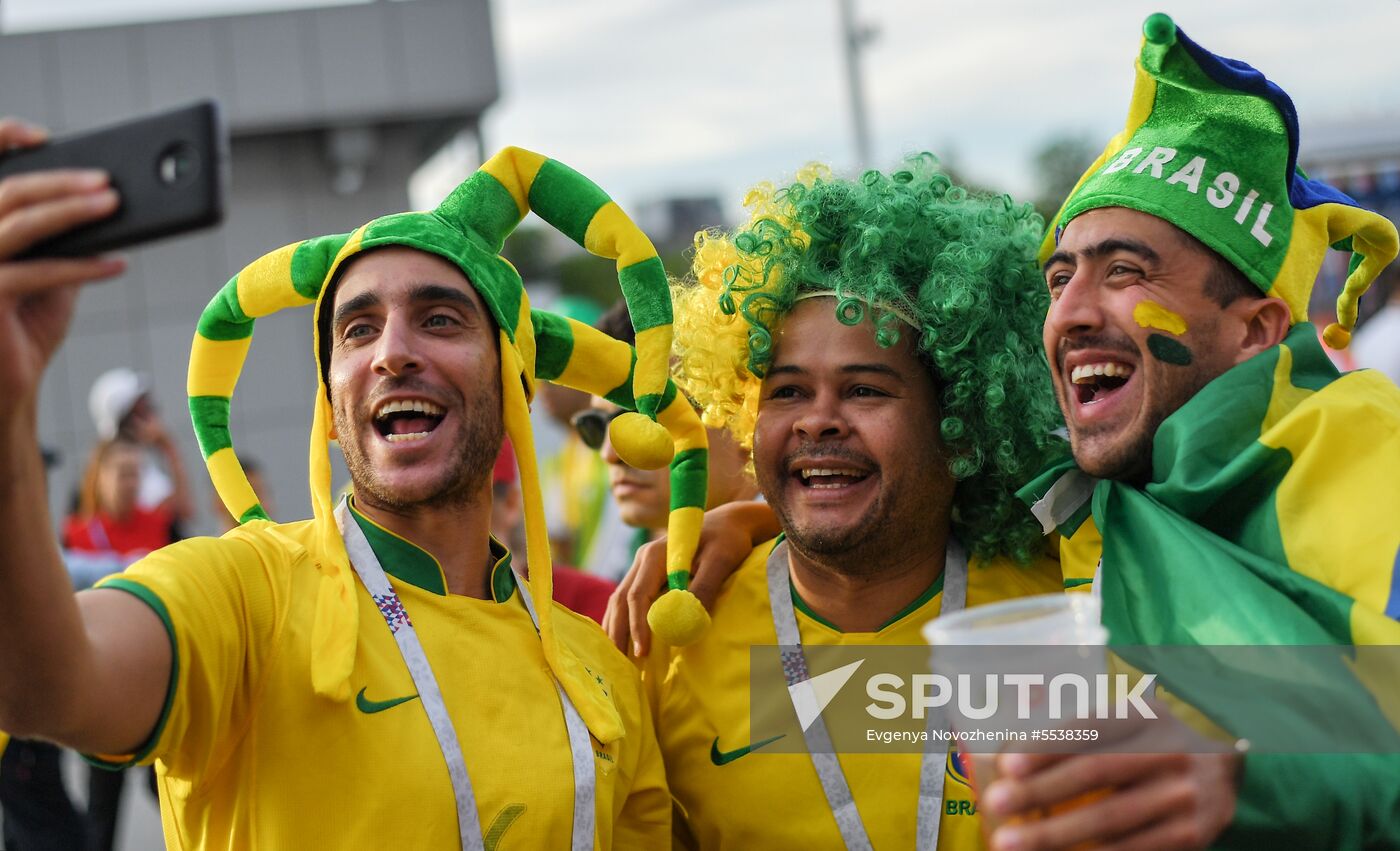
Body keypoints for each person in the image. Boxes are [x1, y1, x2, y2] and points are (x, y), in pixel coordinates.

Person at [0, 138, 718, 847]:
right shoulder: (248, 589)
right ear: (333, 407)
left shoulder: (603, 670)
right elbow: (44, 685)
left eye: (439, 318)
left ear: (514, 384)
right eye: (358, 328)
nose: (391, 352)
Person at [996, 14, 1400, 850]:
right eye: (1059, 277)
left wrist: (1258, 776)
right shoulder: (1085, 484)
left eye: (1123, 272)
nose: (1067, 314)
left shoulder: (1376, 471)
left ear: (1255, 331)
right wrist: (743, 526)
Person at [635, 158, 1065, 848]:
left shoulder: (1058, 617)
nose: (818, 420)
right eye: (787, 392)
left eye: (864, 389)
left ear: (960, 428)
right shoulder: (679, 641)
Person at [62, 435, 189, 851]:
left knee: (176, 792)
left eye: (137, 472)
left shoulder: (156, 522)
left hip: (159, 681)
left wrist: (169, 450)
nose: (132, 481)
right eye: (123, 472)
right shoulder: (77, 534)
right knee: (103, 807)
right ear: (99, 478)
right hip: (103, 689)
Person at [578, 300, 760, 583]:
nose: (609, 454)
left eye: (644, 417)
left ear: (740, 413)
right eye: (595, 426)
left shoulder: (809, 565)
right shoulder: (631, 547)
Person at [86, 367, 195, 537]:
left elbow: (184, 512)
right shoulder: (103, 471)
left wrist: (168, 447)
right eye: (141, 411)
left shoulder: (146, 466)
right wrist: (168, 447)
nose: (150, 418)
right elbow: (183, 509)